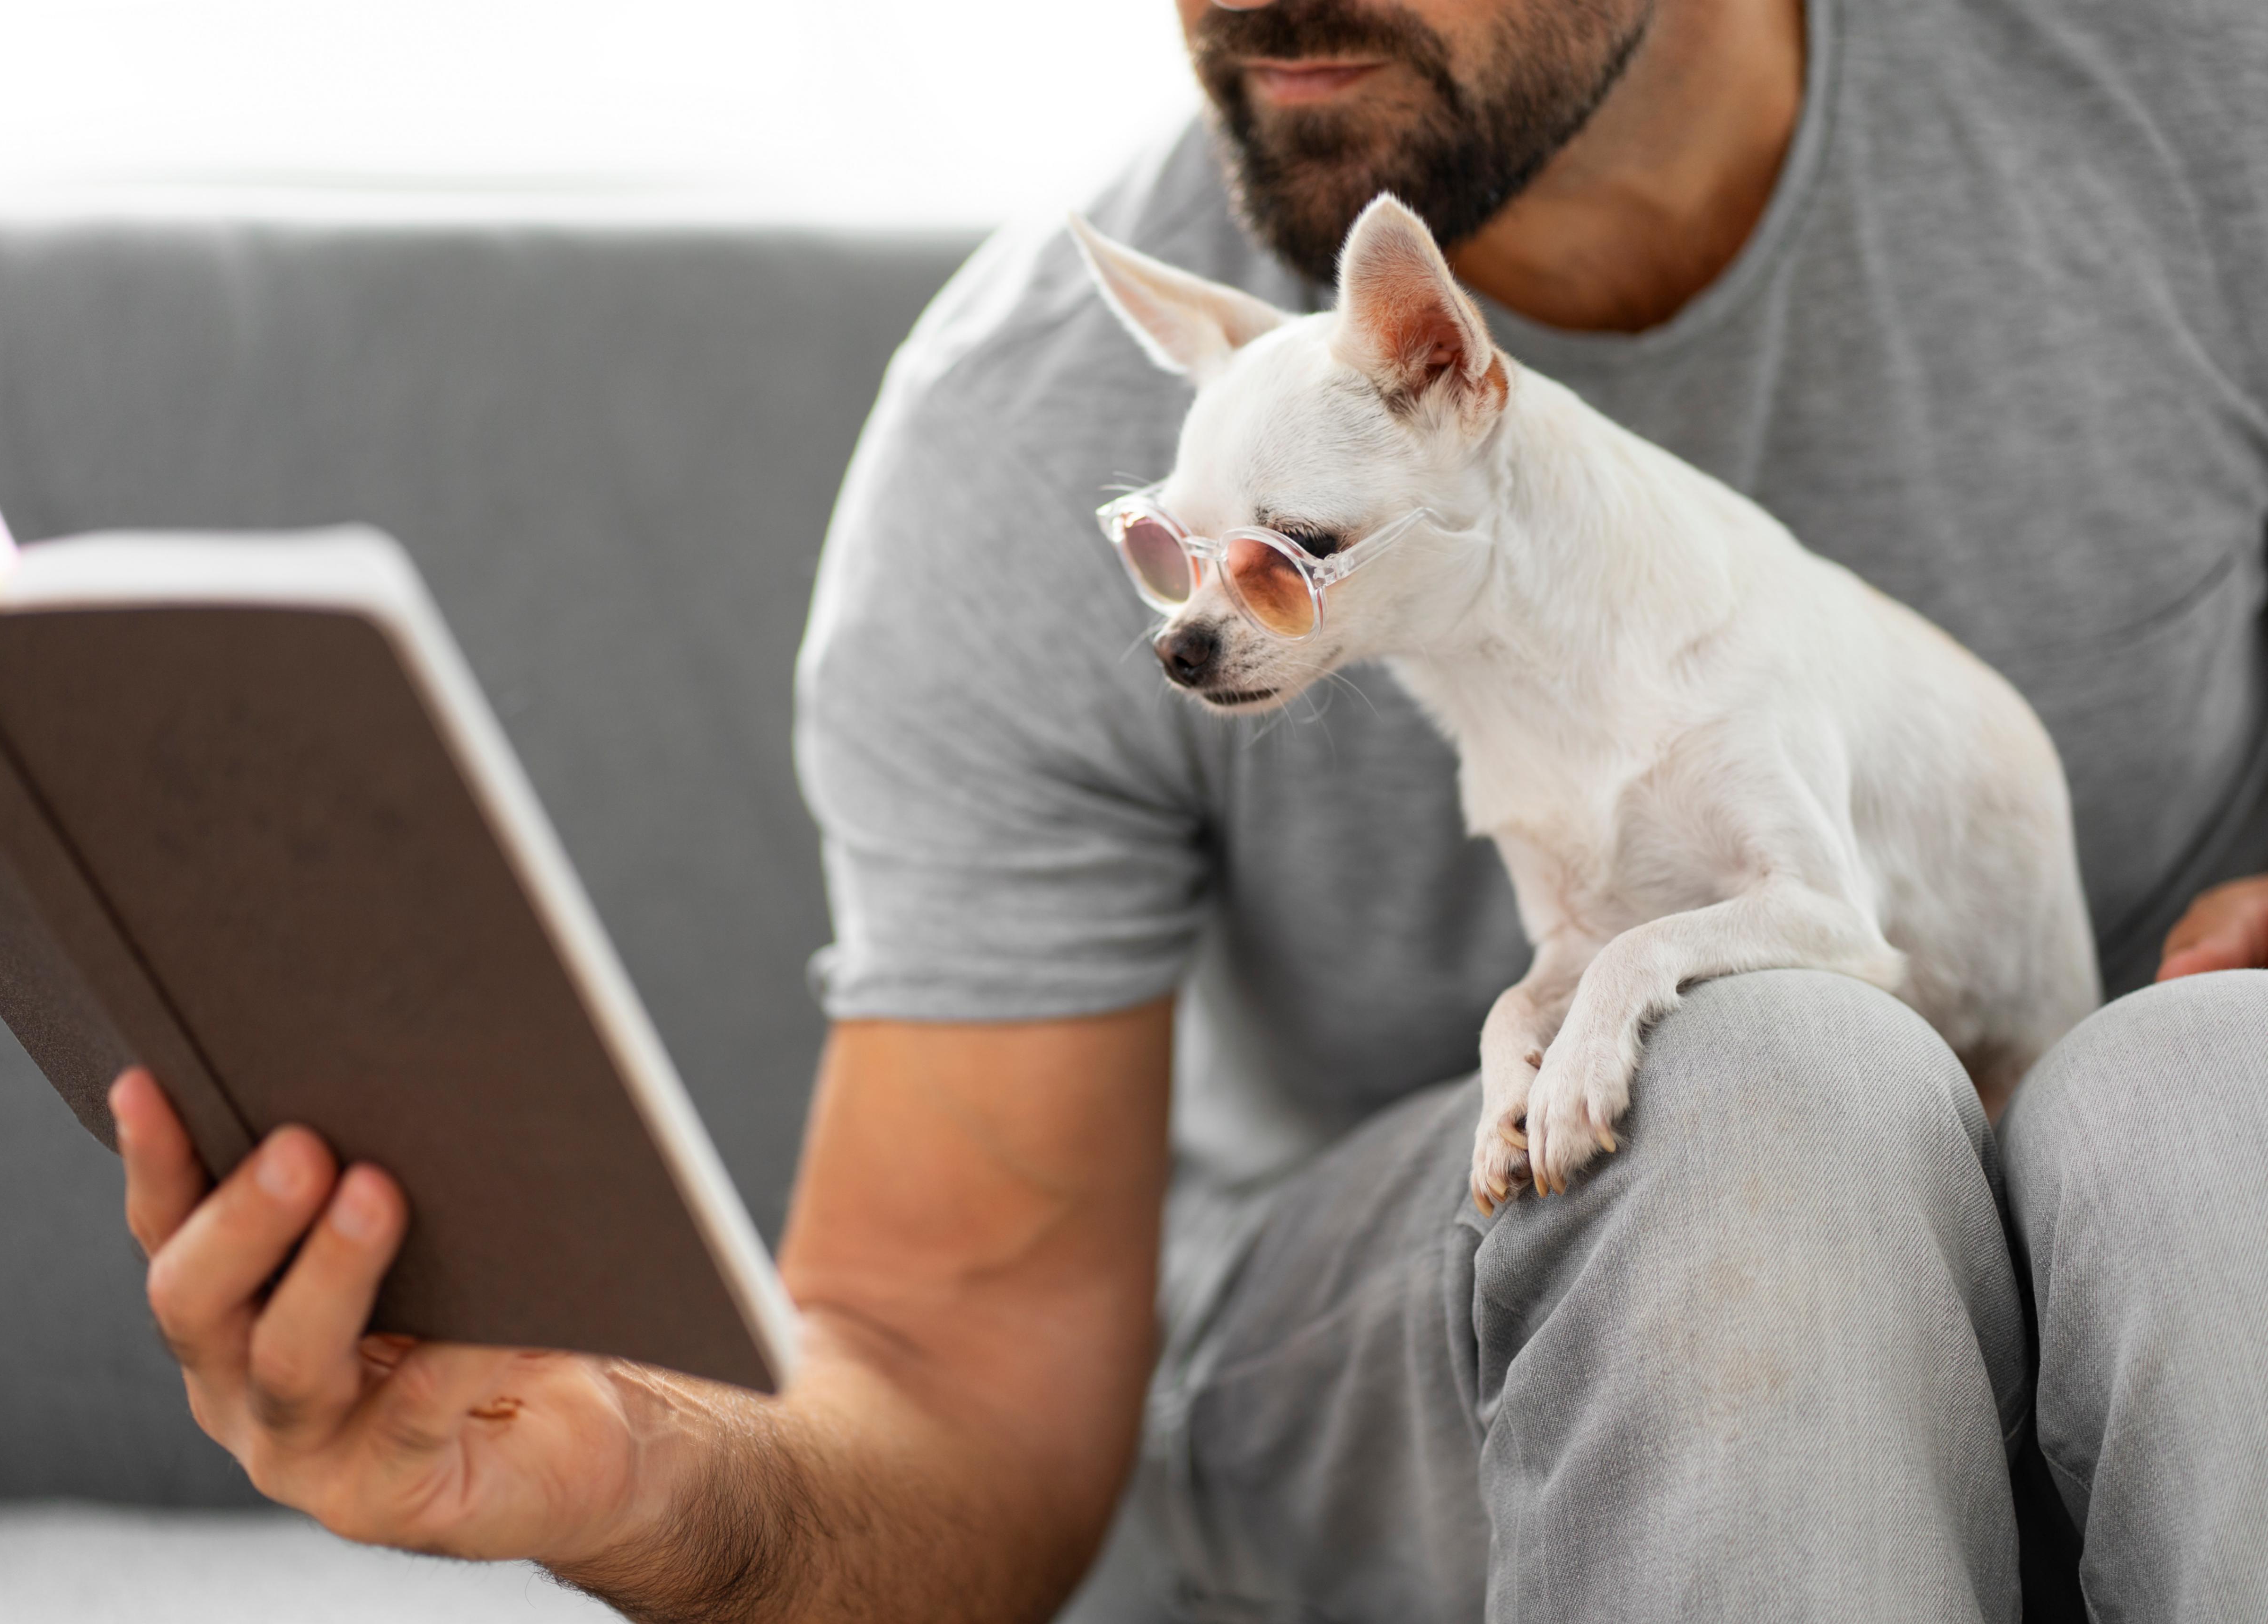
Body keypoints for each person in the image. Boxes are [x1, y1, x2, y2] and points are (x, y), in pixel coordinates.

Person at [108, 0, 2268, 1616]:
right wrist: (626, 1466)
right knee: (1762, 1089)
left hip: (2145, 1212)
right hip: (1433, 1346)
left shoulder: (2195, 104)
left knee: (2216, 1093)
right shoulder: (1025, 428)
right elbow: (954, 1374)